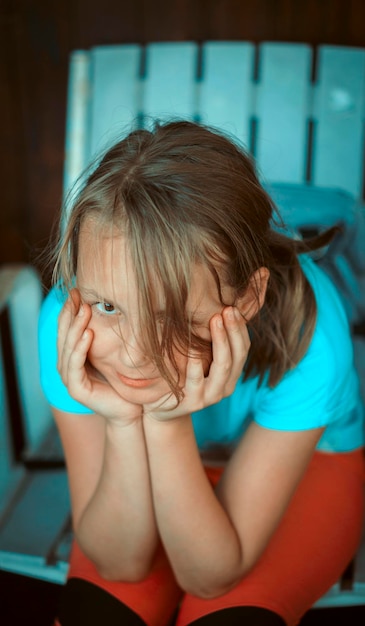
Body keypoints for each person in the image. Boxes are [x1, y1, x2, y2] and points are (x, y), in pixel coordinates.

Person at [39, 121, 365, 626]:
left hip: (307, 464)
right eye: (109, 305)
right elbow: (118, 565)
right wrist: (126, 424)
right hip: (141, 463)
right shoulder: (71, 322)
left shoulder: (312, 335)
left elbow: (211, 576)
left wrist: (166, 424)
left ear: (249, 297)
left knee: (228, 613)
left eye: (172, 318)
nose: (134, 356)